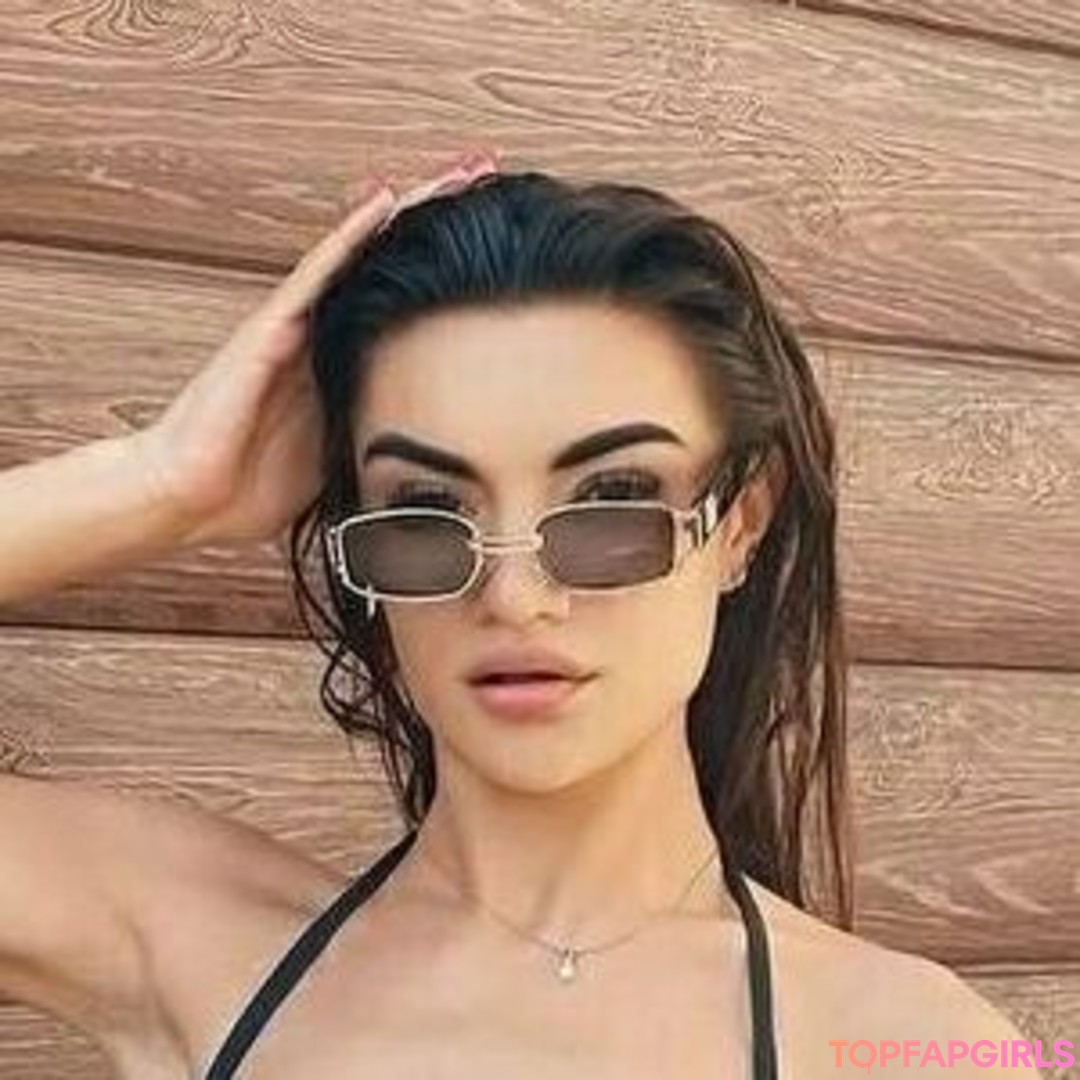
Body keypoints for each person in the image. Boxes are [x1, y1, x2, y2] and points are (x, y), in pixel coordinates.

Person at [0, 150, 1043, 1080]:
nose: (515, 597)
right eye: (426, 512)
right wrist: (162, 480)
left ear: (739, 525)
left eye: (611, 504)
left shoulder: (909, 1042)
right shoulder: (206, 949)